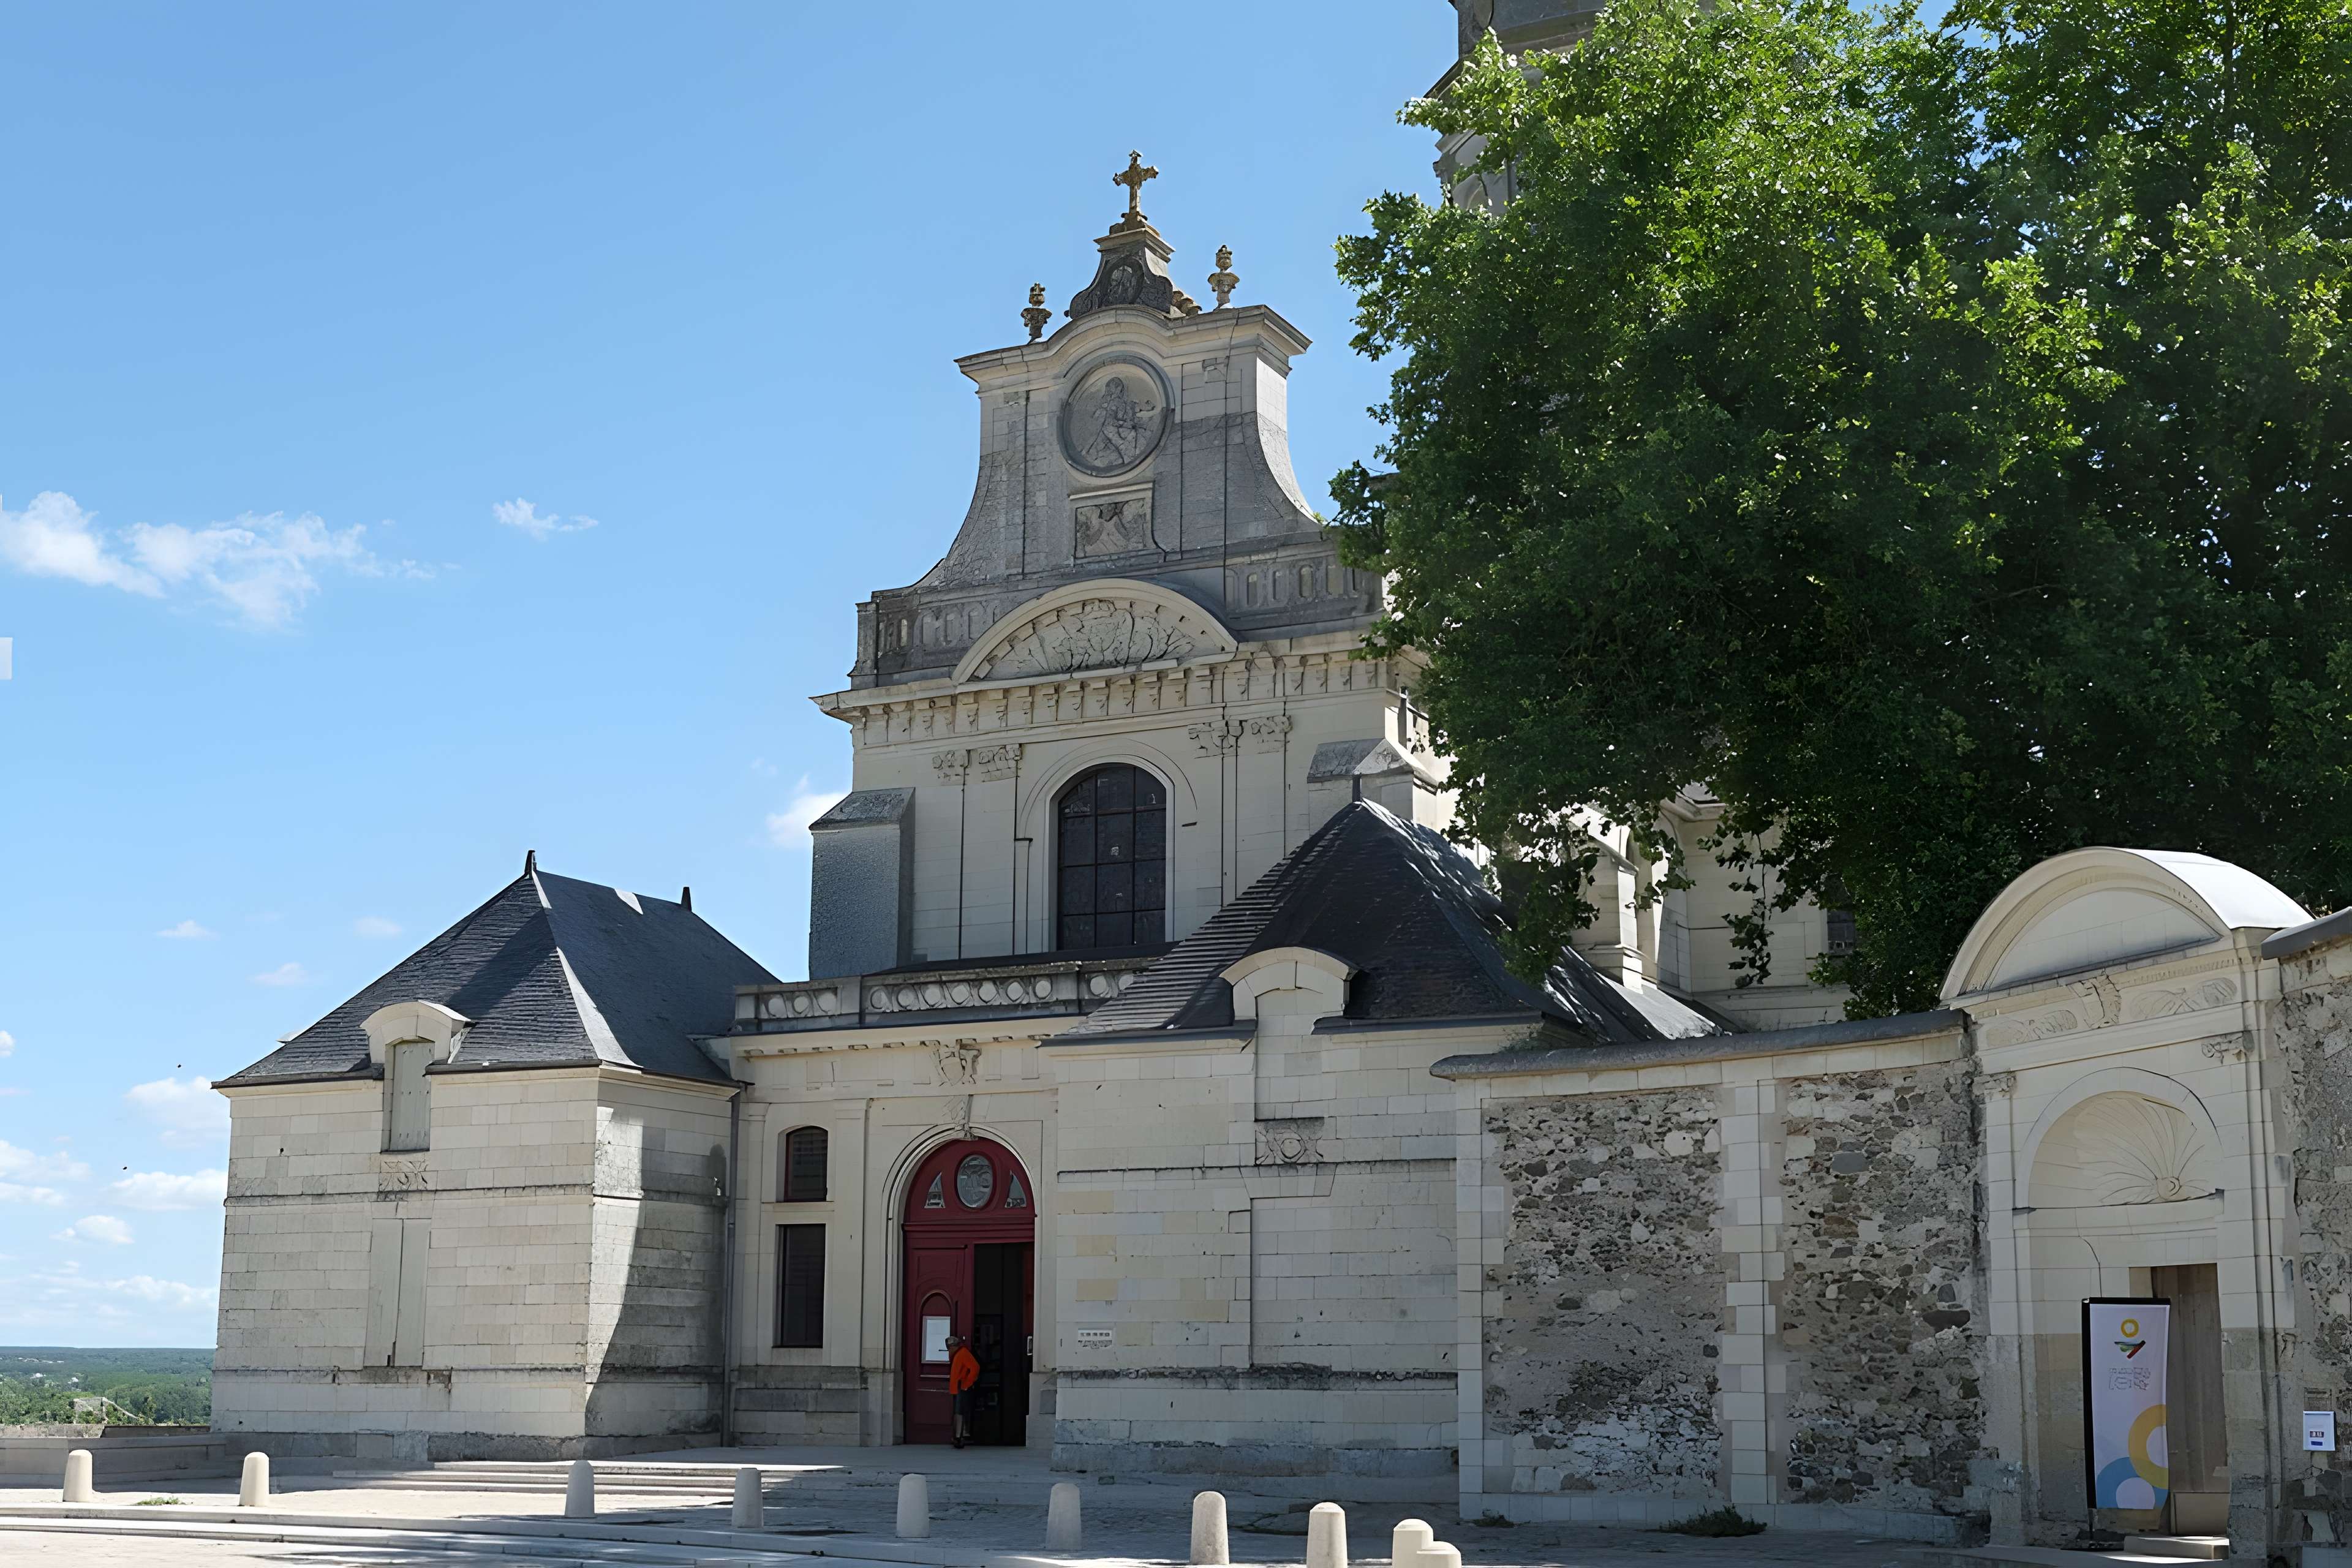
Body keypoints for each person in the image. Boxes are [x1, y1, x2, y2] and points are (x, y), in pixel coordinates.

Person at [946, 1334, 981, 1449]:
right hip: (957, 1387)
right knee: (958, 1412)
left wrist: (967, 1383)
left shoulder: (963, 1354)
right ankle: (958, 1436)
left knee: (960, 1412)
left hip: (961, 1387)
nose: (949, 1350)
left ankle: (959, 1437)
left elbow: (975, 1368)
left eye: (950, 1347)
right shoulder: (958, 1354)